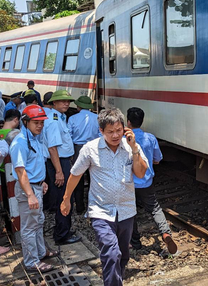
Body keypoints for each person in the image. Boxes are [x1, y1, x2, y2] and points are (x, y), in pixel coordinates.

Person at [61, 108, 148, 286]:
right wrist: (66, 198)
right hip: (100, 210)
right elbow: (75, 174)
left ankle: (116, 281)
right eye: (110, 132)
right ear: (101, 131)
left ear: (125, 128)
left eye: (118, 130)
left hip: (126, 210)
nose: (115, 135)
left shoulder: (131, 147)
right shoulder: (90, 149)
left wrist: (134, 149)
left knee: (122, 255)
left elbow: (140, 173)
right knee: (111, 253)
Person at [9, 105, 58, 273]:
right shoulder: (20, 142)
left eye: (42, 122)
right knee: (30, 227)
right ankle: (31, 262)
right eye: (36, 122)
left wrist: (41, 182)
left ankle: (40, 251)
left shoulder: (34, 138)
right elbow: (20, 171)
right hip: (28, 189)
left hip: (35, 186)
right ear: (25, 122)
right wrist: (30, 194)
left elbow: (33, 165)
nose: (40, 126)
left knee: (38, 222)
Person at [126, 107, 177, 253]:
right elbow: (157, 159)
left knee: (130, 211)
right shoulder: (150, 138)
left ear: (128, 122)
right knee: (154, 208)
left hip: (129, 183)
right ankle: (166, 233)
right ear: (142, 121)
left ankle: (135, 242)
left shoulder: (125, 140)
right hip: (146, 182)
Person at [43, 90, 81, 245]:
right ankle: (61, 235)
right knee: (65, 197)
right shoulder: (53, 121)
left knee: (64, 195)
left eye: (68, 101)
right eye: (62, 101)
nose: (66, 104)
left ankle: (63, 228)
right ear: (54, 103)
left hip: (62, 161)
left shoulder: (60, 117)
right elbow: (52, 148)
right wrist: (59, 171)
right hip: (59, 162)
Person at [67, 95, 100, 212]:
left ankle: (80, 206)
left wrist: (70, 153)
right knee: (94, 177)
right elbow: (101, 135)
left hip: (78, 149)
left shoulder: (72, 119)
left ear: (78, 106)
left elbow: (69, 137)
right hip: (94, 148)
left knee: (78, 177)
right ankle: (94, 205)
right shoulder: (97, 118)